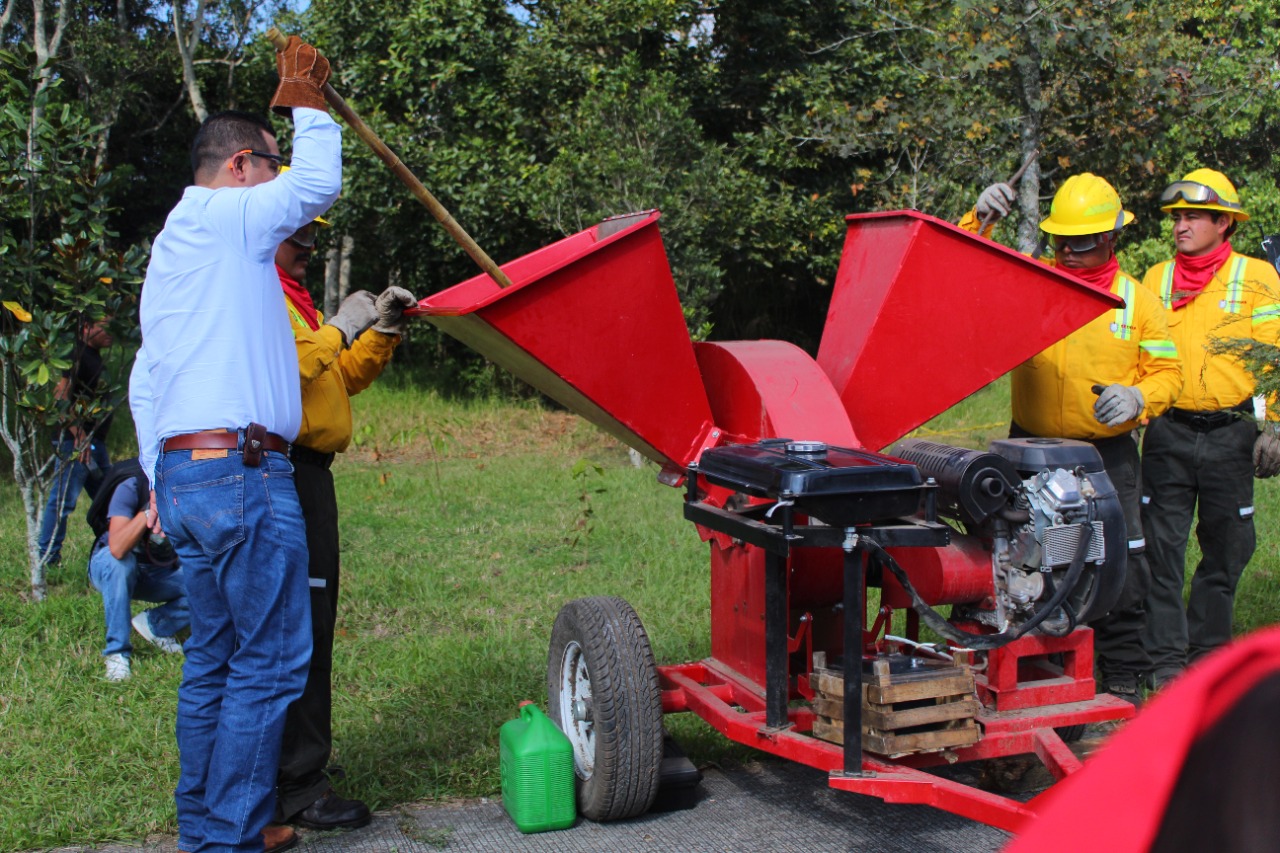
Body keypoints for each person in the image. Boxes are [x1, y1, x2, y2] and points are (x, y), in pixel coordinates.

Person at [128, 37, 356, 853]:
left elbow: (145, 379)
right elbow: (319, 181)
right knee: (271, 661)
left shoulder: (172, 253)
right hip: (245, 474)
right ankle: (225, 836)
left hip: (190, 474)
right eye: (269, 164)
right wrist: (307, 100)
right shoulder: (227, 217)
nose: (278, 187)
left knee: (218, 661)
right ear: (239, 168)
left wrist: (161, 473)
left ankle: (212, 823)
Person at [966, 174, 1183, 704]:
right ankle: (1026, 660)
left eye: (1082, 242)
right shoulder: (1036, 283)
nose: (1070, 251)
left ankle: (1124, 671)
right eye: (1063, 241)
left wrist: (1138, 399)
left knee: (1121, 559)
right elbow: (968, 284)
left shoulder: (1138, 301)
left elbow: (1168, 373)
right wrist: (981, 221)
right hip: (1029, 446)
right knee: (1018, 553)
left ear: (1112, 236)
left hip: (1105, 453)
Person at [270, 203, 416, 830]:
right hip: (286, 470)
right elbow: (301, 364)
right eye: (296, 235)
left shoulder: (294, 297)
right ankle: (297, 784)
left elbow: (339, 377)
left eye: (311, 235)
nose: (306, 244)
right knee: (298, 627)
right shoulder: (261, 294)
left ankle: (295, 772)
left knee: (313, 622)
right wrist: (339, 325)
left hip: (312, 475)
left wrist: (378, 330)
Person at [1138, 168, 1280, 691]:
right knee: (1160, 551)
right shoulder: (1155, 279)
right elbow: (1140, 352)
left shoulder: (1258, 276)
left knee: (1226, 549)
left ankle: (1209, 658)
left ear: (1225, 223)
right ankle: (1166, 661)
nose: (1181, 226)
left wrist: (1278, 428)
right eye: (1177, 217)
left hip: (1231, 435)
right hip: (1168, 434)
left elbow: (1276, 357)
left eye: (1193, 216)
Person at [85, 457, 188, 681]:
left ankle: (157, 625)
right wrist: (148, 511)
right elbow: (117, 548)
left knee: (209, 579)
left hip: (160, 568)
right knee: (120, 564)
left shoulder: (191, 487)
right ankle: (117, 653)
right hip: (111, 564)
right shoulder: (132, 484)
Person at [37, 315, 114, 569]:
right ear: (86, 328)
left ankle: (118, 549)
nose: (110, 332)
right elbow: (60, 396)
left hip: (93, 443)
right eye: (104, 326)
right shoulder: (75, 354)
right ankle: (47, 558)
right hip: (77, 444)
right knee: (63, 501)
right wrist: (79, 435)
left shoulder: (93, 355)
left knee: (109, 499)